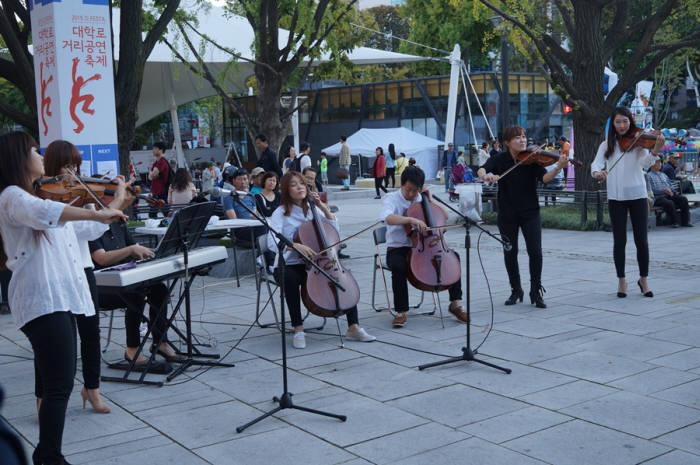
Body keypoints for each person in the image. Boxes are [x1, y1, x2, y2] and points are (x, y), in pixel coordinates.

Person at [0, 131, 126, 465]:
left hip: (56, 299)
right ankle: (49, 457)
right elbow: (46, 212)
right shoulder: (13, 196)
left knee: (59, 383)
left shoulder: (36, 198)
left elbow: (79, 231)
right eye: (33, 150)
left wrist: (115, 202)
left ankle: (47, 454)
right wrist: (96, 212)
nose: (40, 155)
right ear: (18, 158)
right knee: (59, 384)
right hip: (40, 298)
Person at [42, 139, 129, 417]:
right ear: (54, 167)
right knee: (55, 339)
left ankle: (92, 388)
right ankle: (43, 394)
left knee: (90, 333)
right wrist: (109, 207)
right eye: (68, 165)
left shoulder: (81, 196)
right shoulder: (44, 196)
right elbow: (80, 230)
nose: (73, 172)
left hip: (82, 269)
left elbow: (91, 233)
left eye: (76, 166)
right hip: (57, 273)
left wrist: (107, 204)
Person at [267, 171, 375, 348]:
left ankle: (353, 327)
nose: (300, 187)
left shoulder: (312, 209)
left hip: (318, 262)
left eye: (301, 183)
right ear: (286, 190)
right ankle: (298, 328)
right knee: (290, 280)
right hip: (291, 263)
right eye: (293, 185)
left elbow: (333, 230)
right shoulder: (280, 213)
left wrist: (323, 207)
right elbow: (272, 242)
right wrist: (295, 245)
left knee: (341, 277)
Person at [478, 125, 569, 308]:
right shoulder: (499, 159)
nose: (522, 140)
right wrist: (486, 176)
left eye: (523, 137)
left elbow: (544, 178)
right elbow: (481, 169)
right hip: (507, 213)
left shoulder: (532, 159)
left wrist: (558, 167)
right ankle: (515, 290)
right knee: (510, 253)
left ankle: (535, 291)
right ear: (507, 142)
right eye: (517, 138)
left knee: (535, 252)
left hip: (530, 213)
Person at [378, 166, 469, 328]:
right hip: (398, 248)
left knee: (454, 257)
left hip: (424, 248)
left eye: (416, 191)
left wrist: (430, 200)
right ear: (402, 184)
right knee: (398, 266)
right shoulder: (390, 198)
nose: (412, 194)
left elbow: (445, 217)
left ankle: (455, 303)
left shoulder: (421, 198)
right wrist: (410, 220)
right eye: (409, 190)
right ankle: (401, 311)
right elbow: (387, 218)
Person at [591, 106, 664, 299]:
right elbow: (596, 165)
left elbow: (645, 164)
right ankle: (621, 280)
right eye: (618, 122)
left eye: (625, 121)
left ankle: (644, 279)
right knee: (619, 241)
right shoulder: (606, 144)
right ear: (612, 124)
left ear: (630, 122)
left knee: (642, 240)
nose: (622, 125)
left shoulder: (638, 142)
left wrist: (655, 150)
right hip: (616, 196)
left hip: (638, 194)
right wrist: (598, 173)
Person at [89, 222, 185, 367]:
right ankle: (132, 349)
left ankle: (160, 343)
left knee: (159, 289)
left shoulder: (118, 225)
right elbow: (101, 258)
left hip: (124, 280)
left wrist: (154, 258)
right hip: (100, 287)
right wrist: (130, 249)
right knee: (135, 294)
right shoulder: (88, 227)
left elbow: (137, 252)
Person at [222, 167, 265, 244]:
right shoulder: (228, 197)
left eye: (245, 179)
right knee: (263, 229)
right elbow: (234, 220)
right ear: (234, 181)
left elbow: (255, 215)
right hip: (239, 230)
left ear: (248, 181)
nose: (242, 182)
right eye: (239, 179)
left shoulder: (250, 196)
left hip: (253, 227)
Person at [648, 158, 693, 228]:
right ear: (652, 164)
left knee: (683, 199)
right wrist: (663, 191)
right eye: (657, 162)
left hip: (668, 194)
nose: (660, 164)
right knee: (669, 203)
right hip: (658, 197)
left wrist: (671, 190)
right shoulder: (649, 176)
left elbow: (670, 185)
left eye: (660, 162)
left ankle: (685, 222)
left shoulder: (663, 175)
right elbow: (651, 190)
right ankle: (675, 222)